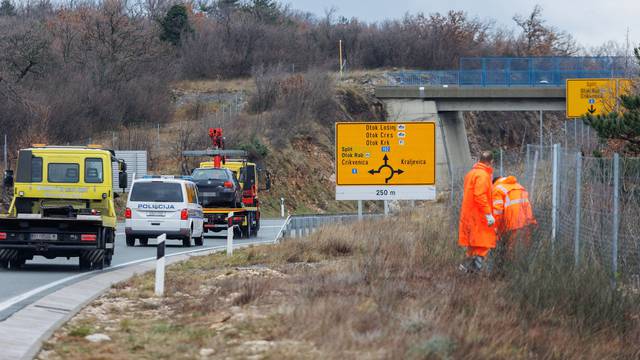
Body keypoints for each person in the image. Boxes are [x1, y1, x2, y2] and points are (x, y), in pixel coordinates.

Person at [458, 151, 497, 273]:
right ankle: (473, 271)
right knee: (482, 243)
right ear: (491, 162)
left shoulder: (471, 174)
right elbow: (479, 196)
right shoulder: (483, 176)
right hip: (478, 216)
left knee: (473, 244)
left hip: (469, 215)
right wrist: (488, 214)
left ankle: (468, 271)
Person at [492, 175, 537, 264]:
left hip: (513, 225)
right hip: (528, 222)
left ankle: (511, 274)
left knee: (512, 255)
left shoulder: (497, 189)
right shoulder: (518, 186)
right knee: (525, 252)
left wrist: (495, 231)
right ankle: (526, 272)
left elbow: (497, 212)